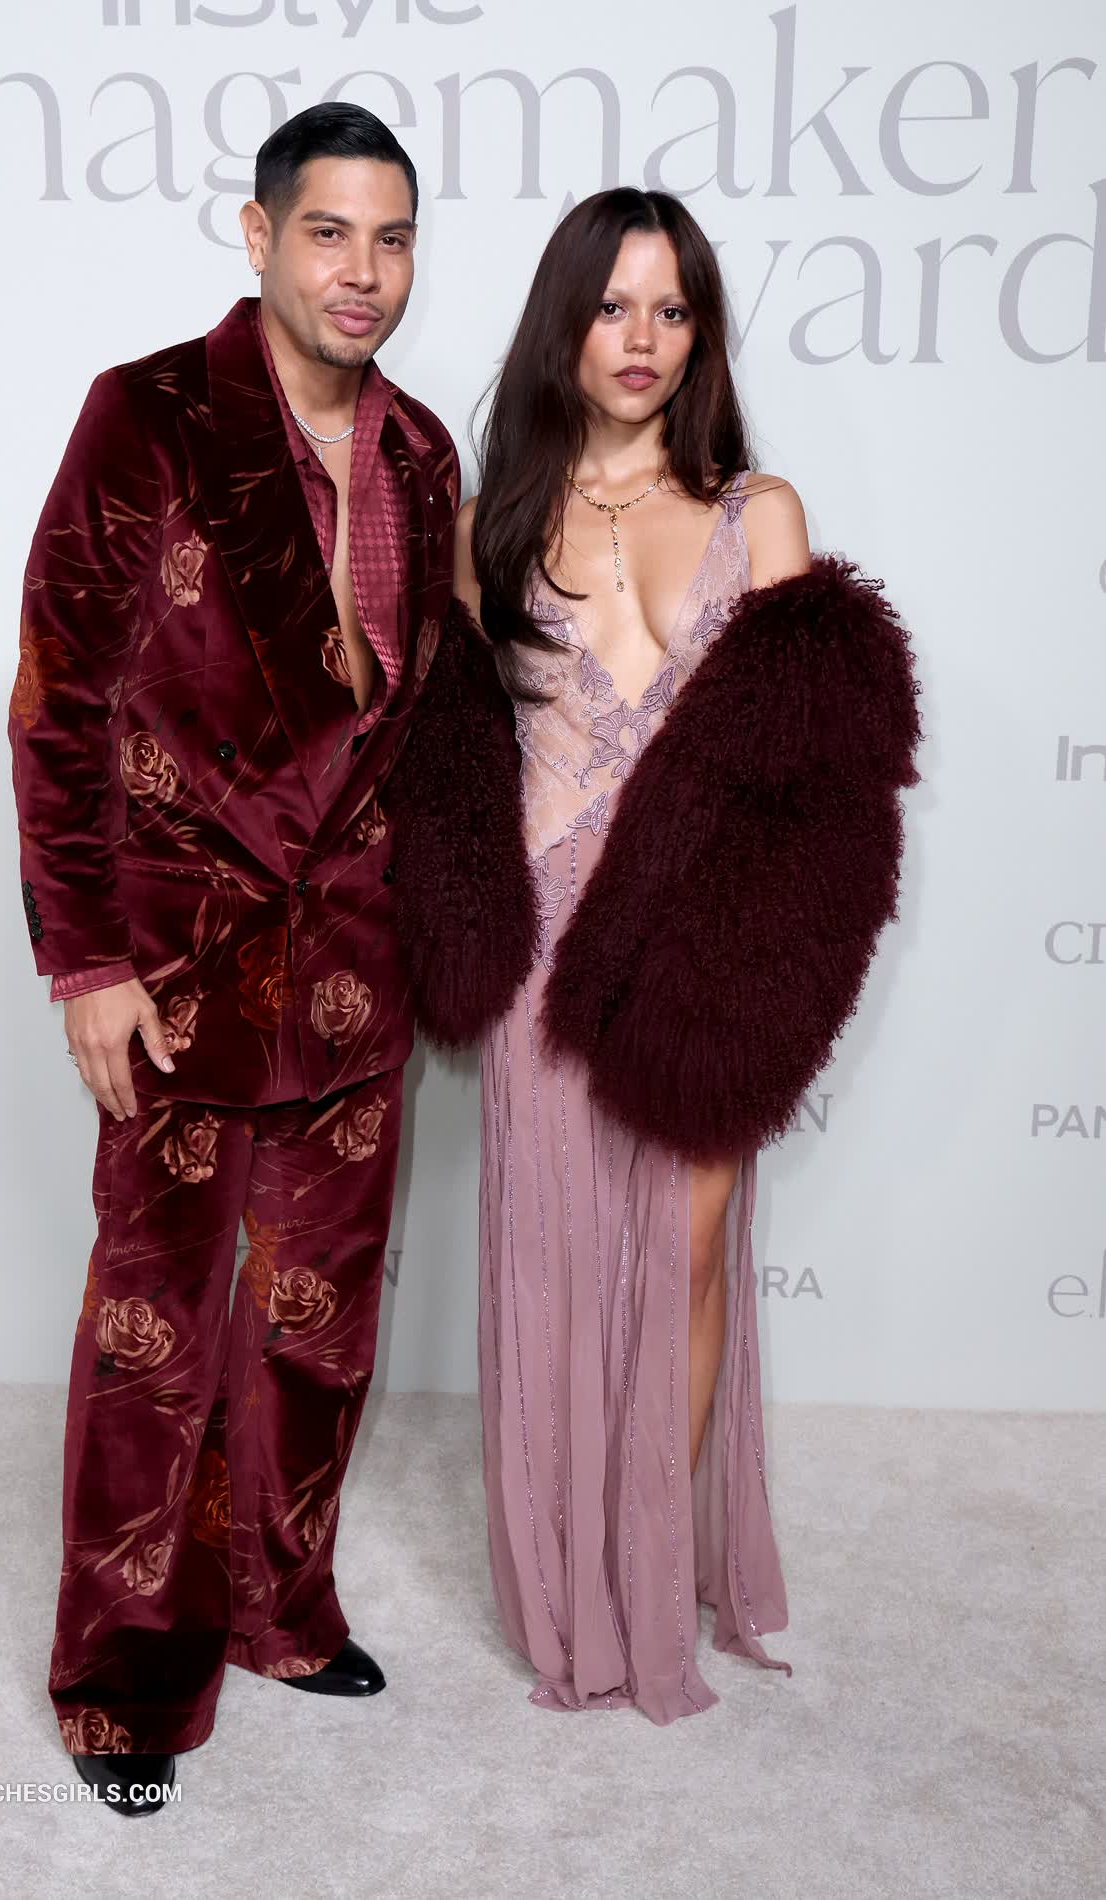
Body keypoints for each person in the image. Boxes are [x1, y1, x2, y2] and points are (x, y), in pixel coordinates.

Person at [386, 187, 920, 1723]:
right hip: (542, 945)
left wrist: (769, 967)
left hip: (700, 946)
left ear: (701, 334)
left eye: (672, 309)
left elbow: (813, 776)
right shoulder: (490, 526)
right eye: (614, 305)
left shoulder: (761, 514)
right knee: (553, 1261)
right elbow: (451, 756)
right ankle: (569, 1582)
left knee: (685, 1252)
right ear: (564, 321)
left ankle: (647, 1558)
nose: (641, 338)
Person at [6, 102, 459, 1813]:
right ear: (259, 235)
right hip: (178, 959)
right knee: (159, 1333)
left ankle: (278, 1607)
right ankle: (123, 1682)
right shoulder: (147, 414)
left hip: (358, 963)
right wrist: (84, 962)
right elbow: (58, 701)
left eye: (393, 238)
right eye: (330, 231)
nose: (363, 271)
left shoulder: (420, 453)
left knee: (318, 1329)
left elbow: (421, 724)